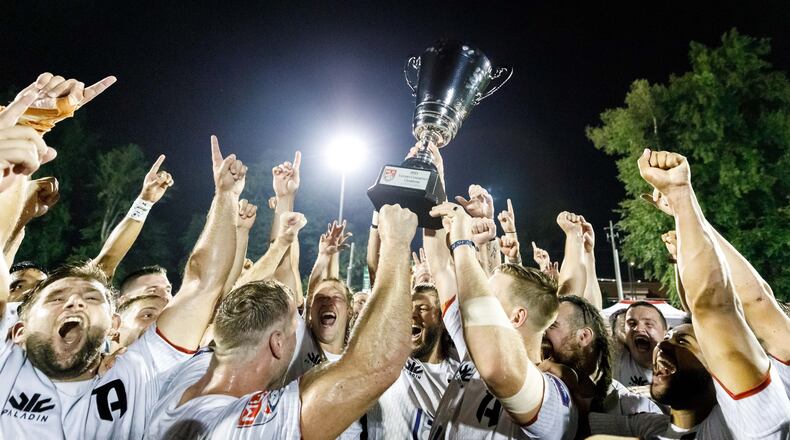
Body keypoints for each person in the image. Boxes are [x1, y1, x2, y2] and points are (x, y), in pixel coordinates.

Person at [0, 135, 244, 439]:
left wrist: (226, 197)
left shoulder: (136, 371)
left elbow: (202, 283)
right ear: (18, 328)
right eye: (56, 297)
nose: (74, 302)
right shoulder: (5, 361)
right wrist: (13, 173)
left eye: (91, 298)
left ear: (113, 325)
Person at [144, 204, 418, 440]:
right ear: (277, 343)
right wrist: (396, 243)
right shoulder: (247, 428)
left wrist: (282, 241)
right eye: (294, 328)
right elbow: (375, 367)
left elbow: (216, 287)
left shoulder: (190, 369)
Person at [588, 149, 790, 438]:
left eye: (682, 339)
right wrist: (688, 216)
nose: (663, 345)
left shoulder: (749, 422)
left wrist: (682, 197)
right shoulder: (654, 427)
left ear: (718, 367)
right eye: (671, 337)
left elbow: (723, 306)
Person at [428, 201, 578, 440]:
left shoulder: (553, 393)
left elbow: (499, 368)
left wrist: (463, 246)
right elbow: (440, 267)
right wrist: (434, 189)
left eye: (489, 297)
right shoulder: (472, 350)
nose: (479, 299)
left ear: (517, 317)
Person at [365, 283, 459, 439]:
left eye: (422, 309)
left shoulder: (459, 377)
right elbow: (381, 293)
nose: (412, 315)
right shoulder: (387, 359)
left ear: (442, 319)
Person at [544, 295, 663, 416]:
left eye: (551, 325)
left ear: (584, 336)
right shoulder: (541, 387)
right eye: (631, 324)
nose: (542, 332)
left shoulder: (633, 407)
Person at [614, 301, 667, 387]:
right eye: (631, 324)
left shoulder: (679, 366)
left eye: (648, 324)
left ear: (665, 333)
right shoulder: (616, 359)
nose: (638, 329)